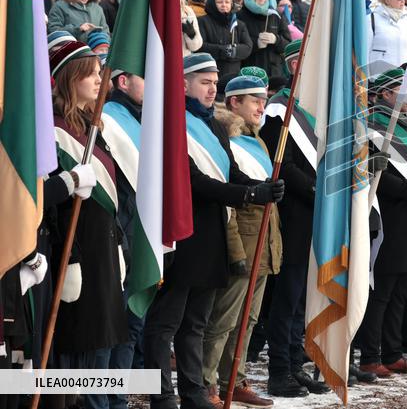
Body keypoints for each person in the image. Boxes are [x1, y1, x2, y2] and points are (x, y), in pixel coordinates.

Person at [144, 53, 284, 409]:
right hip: (180, 233)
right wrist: (249, 194)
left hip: (211, 234)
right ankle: (161, 395)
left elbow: (228, 172)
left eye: (215, 82)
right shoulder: (170, 123)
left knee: (196, 323)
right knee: (166, 324)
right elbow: (194, 181)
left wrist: (260, 187)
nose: (212, 89)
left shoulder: (214, 126)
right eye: (205, 82)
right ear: (183, 83)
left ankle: (194, 392)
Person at [47, 41, 127, 409]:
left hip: (102, 249)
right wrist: (72, 257)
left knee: (100, 349)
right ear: (70, 76)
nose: (100, 79)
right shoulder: (52, 128)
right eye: (92, 72)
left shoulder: (92, 127)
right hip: (74, 254)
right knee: (74, 352)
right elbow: (51, 207)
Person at [200, 75, 283, 407]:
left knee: (247, 320)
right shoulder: (227, 140)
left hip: (264, 246)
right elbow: (229, 207)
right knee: (223, 320)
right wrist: (235, 251)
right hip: (243, 247)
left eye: (263, 100)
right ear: (233, 102)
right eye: (253, 100)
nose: (261, 107)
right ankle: (208, 384)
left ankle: (234, 377)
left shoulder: (258, 141)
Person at [258, 41, 332, 395]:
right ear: (292, 65)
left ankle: (294, 361)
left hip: (318, 212)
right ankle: (278, 372)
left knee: (303, 294)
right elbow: (279, 164)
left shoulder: (322, 108)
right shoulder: (279, 108)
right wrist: (317, 189)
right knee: (287, 294)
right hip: (294, 210)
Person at [358, 68, 407, 377]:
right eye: (402, 89)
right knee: (383, 291)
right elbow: (376, 176)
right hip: (388, 215)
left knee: (401, 289)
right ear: (386, 94)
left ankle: (393, 352)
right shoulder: (373, 125)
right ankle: (371, 356)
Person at [101, 69, 146, 409]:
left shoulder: (148, 120)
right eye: (142, 76)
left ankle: (117, 398)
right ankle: (98, 399)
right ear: (122, 81)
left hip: (140, 234)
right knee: (110, 324)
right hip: (115, 234)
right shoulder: (108, 120)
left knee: (132, 322)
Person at [197, 0, 254, 80]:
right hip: (209, 74)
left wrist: (233, 51)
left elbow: (248, 47)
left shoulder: (239, 24)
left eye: (227, 2)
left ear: (231, 4)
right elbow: (200, 46)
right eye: (220, 2)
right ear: (213, 4)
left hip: (233, 75)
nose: (224, 5)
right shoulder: (202, 21)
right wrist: (223, 50)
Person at [367, 0, 407, 76]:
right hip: (379, 79)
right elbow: (365, 51)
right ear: (387, 0)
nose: (403, 1)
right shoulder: (371, 19)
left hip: (405, 78)